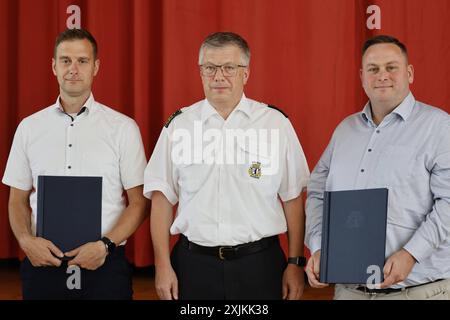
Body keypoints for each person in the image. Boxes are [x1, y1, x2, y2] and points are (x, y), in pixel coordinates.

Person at [144, 32, 310, 300]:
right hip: (193, 266)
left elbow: (292, 199)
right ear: (200, 73)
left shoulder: (275, 124)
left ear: (246, 74)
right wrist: (162, 265)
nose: (218, 76)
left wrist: (295, 263)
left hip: (260, 266)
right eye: (210, 68)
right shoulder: (179, 126)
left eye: (229, 68)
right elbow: (162, 200)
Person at [2, 28, 149, 300]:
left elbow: (140, 202)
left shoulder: (123, 128)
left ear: (96, 67)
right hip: (41, 263)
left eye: (82, 61)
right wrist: (25, 241)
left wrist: (105, 246)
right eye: (65, 60)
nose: (73, 68)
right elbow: (17, 199)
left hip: (105, 263)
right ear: (54, 67)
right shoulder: (29, 128)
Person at [305, 35, 450, 300]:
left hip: (416, 291)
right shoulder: (345, 131)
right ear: (362, 76)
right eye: (373, 69)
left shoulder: (439, 127)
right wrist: (318, 246)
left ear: (409, 73)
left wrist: (411, 253)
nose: (382, 75)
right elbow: (316, 191)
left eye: (391, 67)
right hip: (349, 290)